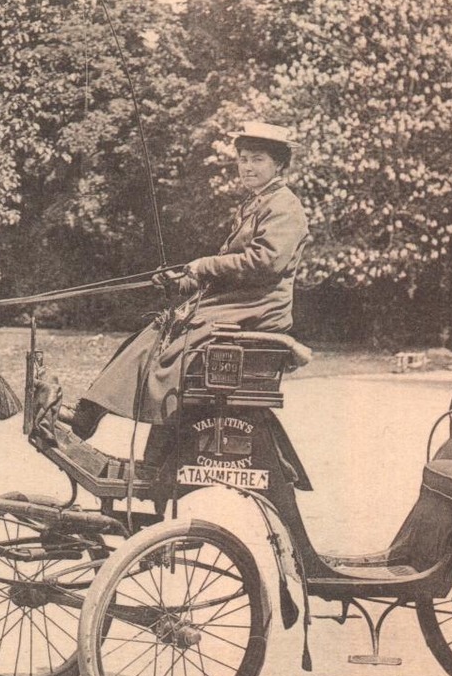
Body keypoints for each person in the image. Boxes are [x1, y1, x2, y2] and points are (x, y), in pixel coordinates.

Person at [64, 121, 310, 440]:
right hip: (238, 302)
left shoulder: (284, 206)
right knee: (158, 329)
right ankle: (94, 411)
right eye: (243, 159)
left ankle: (93, 414)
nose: (247, 167)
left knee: (167, 338)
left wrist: (203, 266)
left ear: (279, 163)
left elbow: (265, 262)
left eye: (257, 159)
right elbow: (230, 273)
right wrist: (181, 282)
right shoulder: (257, 203)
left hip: (258, 308)